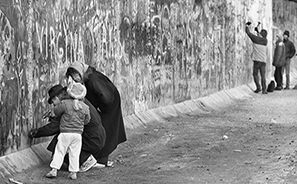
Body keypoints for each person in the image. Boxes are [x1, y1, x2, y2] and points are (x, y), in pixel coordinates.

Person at [29, 84, 106, 173]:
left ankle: (86, 160)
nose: (53, 104)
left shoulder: (66, 104)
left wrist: (35, 133)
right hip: (98, 137)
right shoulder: (78, 100)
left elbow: (53, 128)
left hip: (91, 139)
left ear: (59, 96)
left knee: (62, 144)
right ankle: (86, 159)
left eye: (53, 100)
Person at [66, 61, 127, 166]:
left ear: (80, 71)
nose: (75, 78)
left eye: (75, 74)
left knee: (104, 130)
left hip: (108, 107)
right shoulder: (90, 77)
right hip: (109, 105)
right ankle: (101, 159)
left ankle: (101, 159)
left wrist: (100, 109)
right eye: (72, 76)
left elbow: (105, 96)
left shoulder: (92, 80)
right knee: (105, 131)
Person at [45, 79, 90, 180]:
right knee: (75, 153)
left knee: (60, 151)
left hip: (65, 133)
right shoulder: (85, 107)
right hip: (78, 135)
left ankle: (54, 170)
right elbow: (87, 120)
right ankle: (73, 172)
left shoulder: (65, 103)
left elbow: (56, 112)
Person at [245, 21, 268, 94]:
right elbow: (259, 36)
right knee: (263, 76)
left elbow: (248, 33)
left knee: (255, 74)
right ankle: (264, 90)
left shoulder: (256, 39)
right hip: (263, 61)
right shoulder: (265, 41)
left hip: (257, 60)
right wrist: (257, 30)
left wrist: (247, 26)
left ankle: (258, 87)